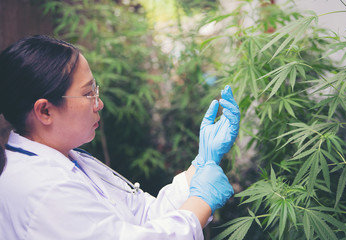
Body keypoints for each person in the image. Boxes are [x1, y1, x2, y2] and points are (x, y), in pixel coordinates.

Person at [0, 35, 241, 240]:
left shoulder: (70, 160)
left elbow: (145, 217)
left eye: (96, 90)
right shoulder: (44, 191)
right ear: (45, 111)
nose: (99, 103)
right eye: (87, 93)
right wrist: (200, 202)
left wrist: (201, 163)